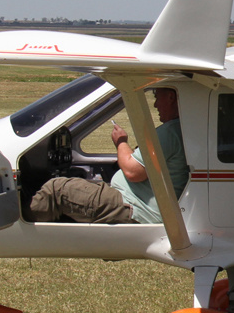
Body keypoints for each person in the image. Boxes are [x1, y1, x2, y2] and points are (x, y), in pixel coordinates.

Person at [28, 88, 190, 224]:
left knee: (56, 189)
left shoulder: (170, 132)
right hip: (136, 203)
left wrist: (121, 142)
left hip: (136, 208)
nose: (155, 105)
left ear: (171, 97)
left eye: (156, 97)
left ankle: (23, 224)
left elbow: (133, 172)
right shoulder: (182, 130)